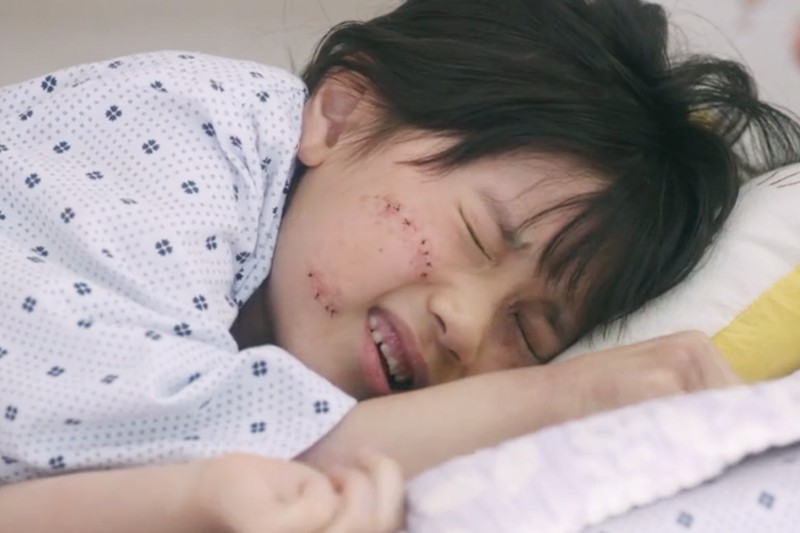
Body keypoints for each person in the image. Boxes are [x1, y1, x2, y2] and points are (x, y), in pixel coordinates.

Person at [1, 0, 799, 531]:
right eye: (479, 235)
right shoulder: (180, 130)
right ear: (341, 115)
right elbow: (144, 430)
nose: (467, 325)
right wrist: (568, 394)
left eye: (529, 332)